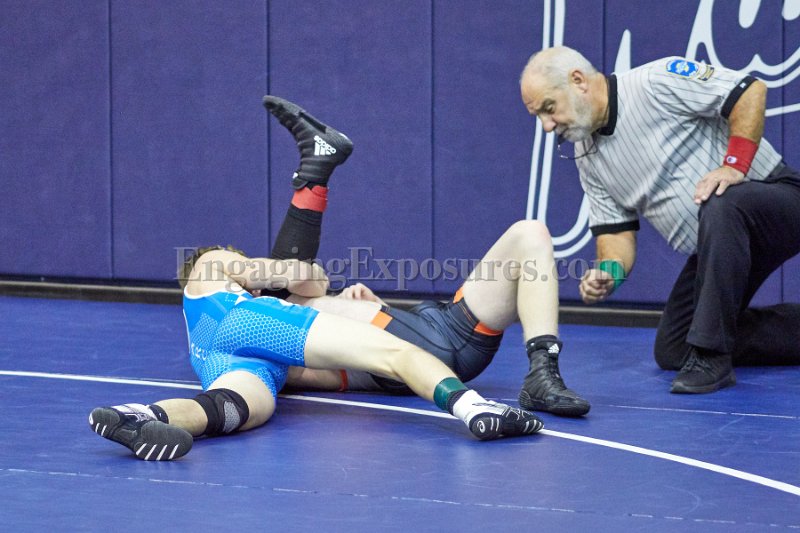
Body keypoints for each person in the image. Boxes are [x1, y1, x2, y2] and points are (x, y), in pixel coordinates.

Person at [88, 97, 542, 461]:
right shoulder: (215, 264)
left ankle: (142, 414)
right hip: (248, 324)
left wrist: (315, 292)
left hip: (216, 359)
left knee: (232, 408)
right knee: (396, 352)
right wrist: (294, 277)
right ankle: (475, 409)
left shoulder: (199, 316)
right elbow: (301, 275)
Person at [253, 98, 590, 418]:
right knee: (275, 307)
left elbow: (308, 279)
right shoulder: (273, 344)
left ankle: (543, 373)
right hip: (421, 353)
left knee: (530, 234)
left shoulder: (276, 315)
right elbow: (299, 299)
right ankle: (315, 171)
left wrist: (371, 307)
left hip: (446, 325)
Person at [519, 46, 800, 394]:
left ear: (578, 80)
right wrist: (609, 274)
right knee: (675, 348)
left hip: (779, 201)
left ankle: (712, 359)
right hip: (719, 247)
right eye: (539, 117)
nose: (547, 126)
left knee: (720, 200)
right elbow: (617, 237)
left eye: (548, 108)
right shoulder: (587, 157)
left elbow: (749, 90)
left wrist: (733, 165)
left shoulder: (655, 80)